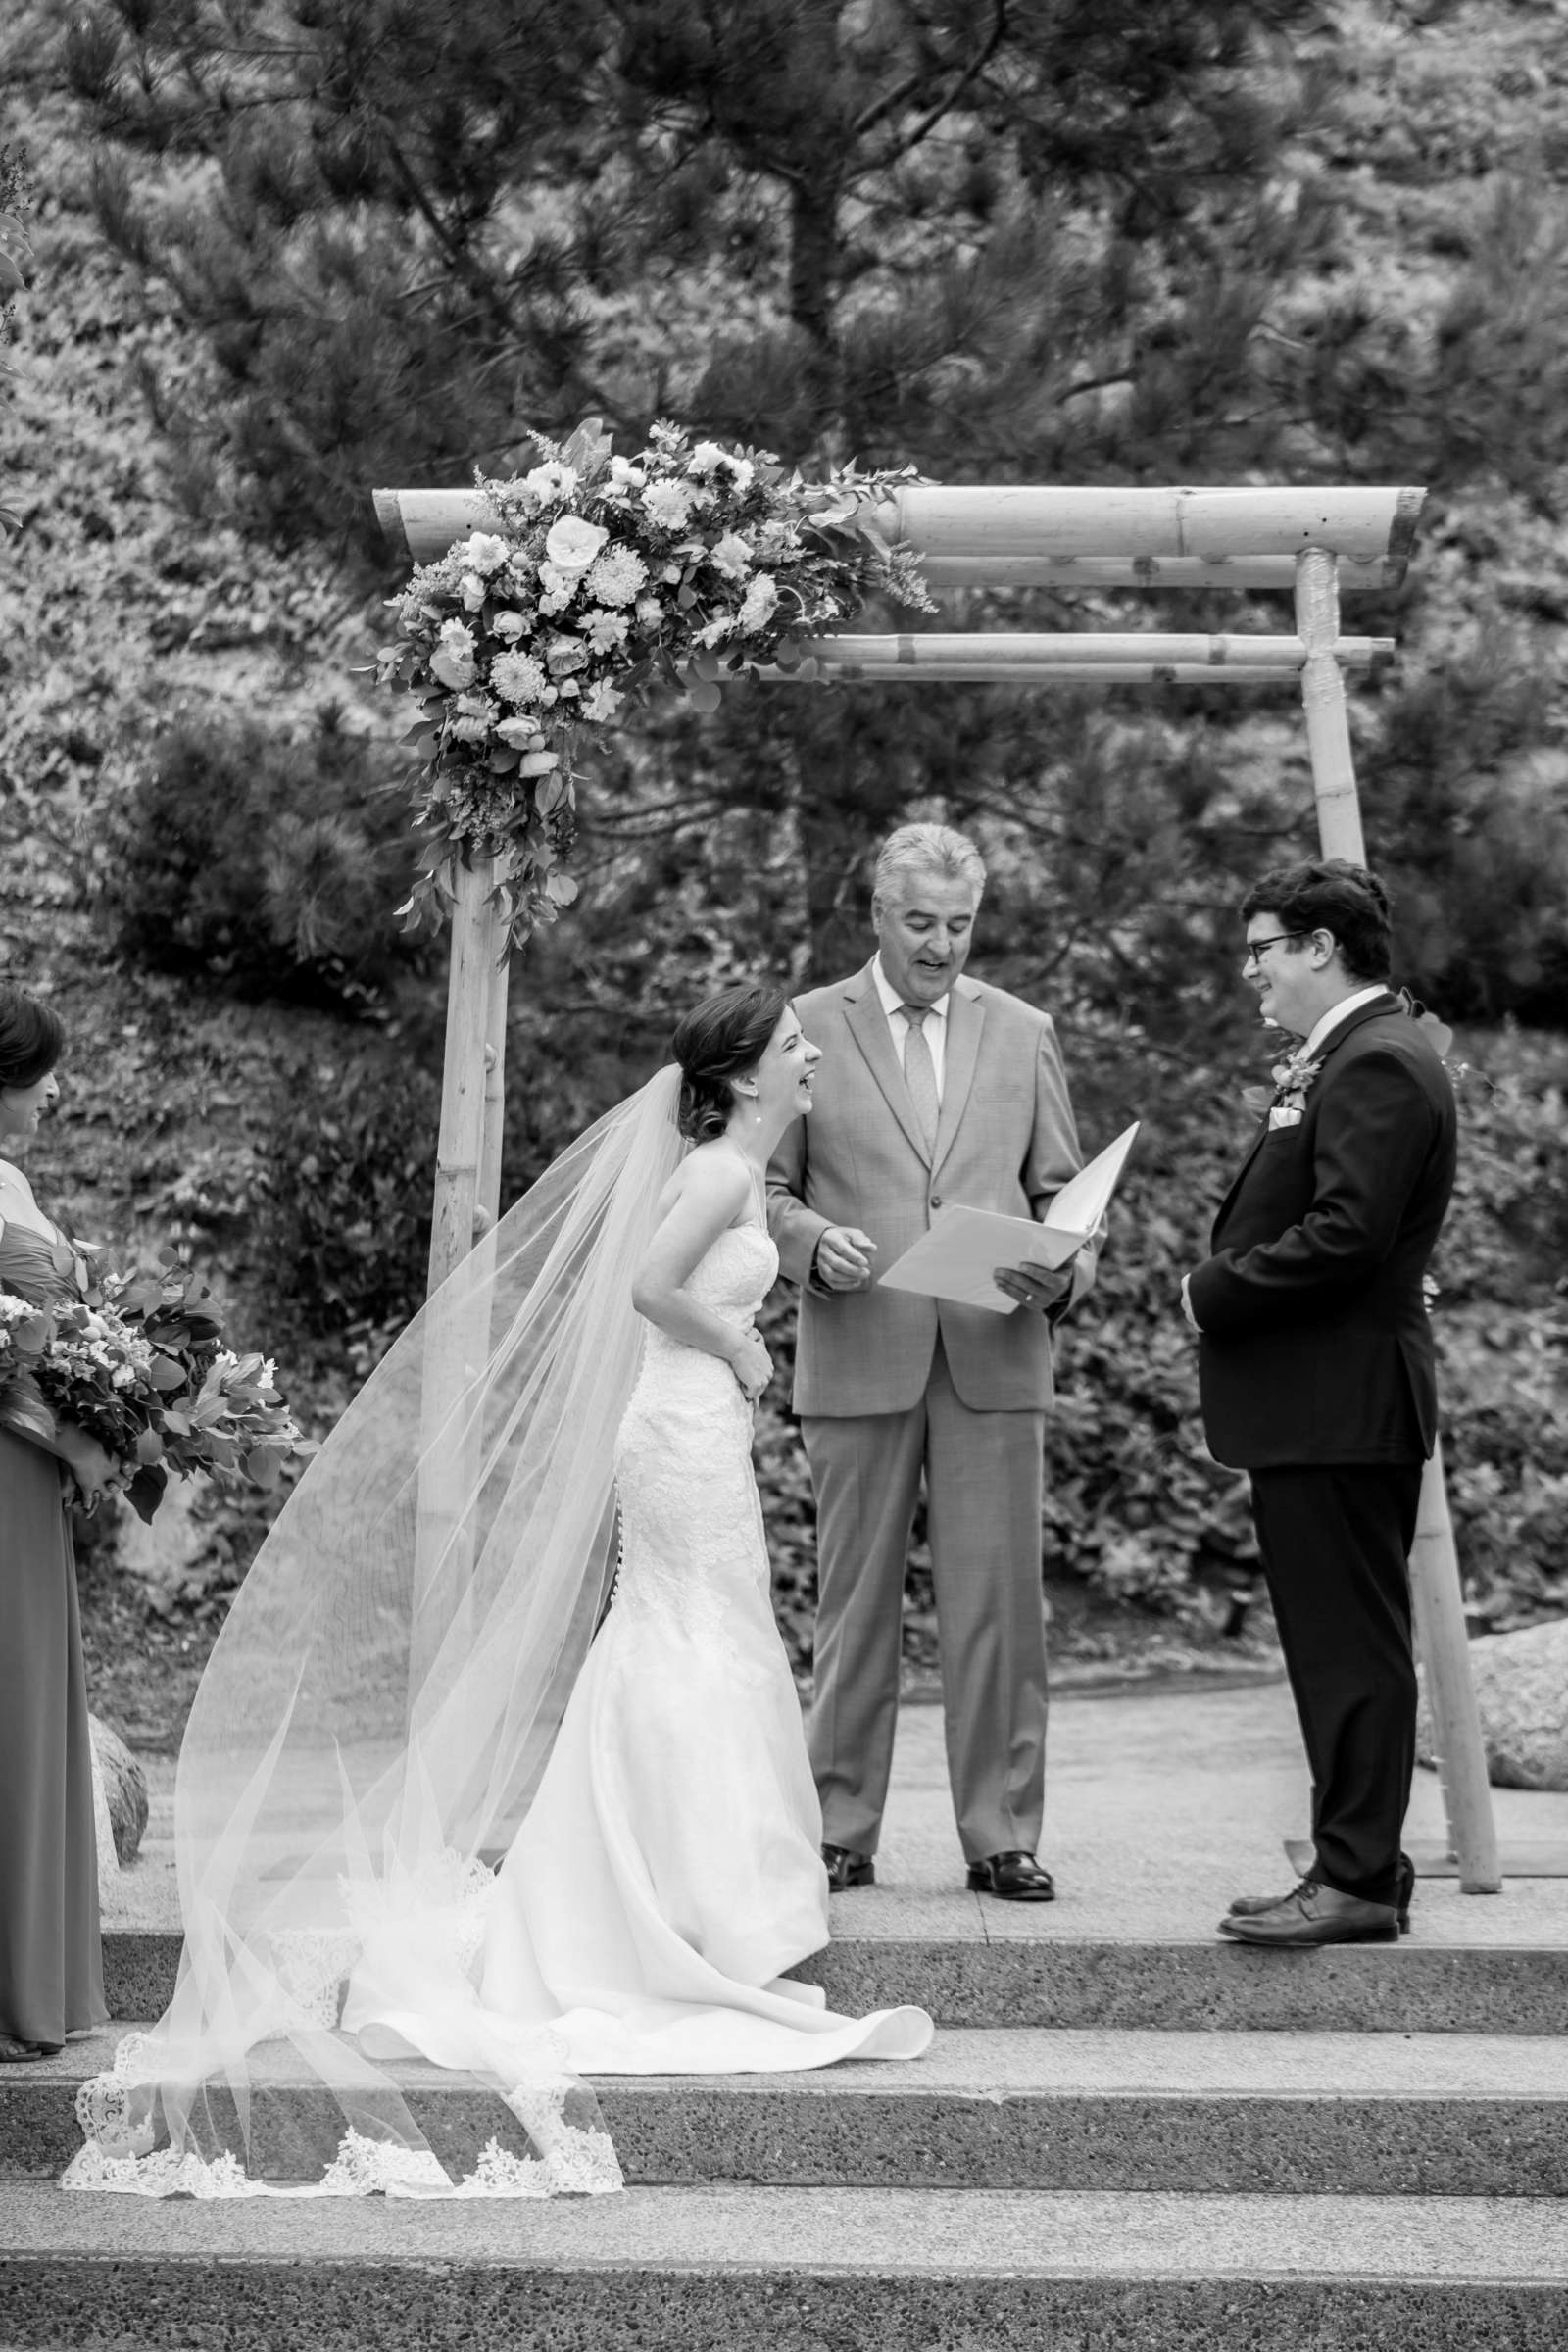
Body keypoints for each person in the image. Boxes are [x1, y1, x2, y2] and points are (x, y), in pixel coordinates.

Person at [69, 981, 928, 2203]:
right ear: (742, 1077)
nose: (812, 1057)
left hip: (697, 1432)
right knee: (688, 1636)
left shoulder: (737, 1167)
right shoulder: (720, 1176)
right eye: (794, 1046)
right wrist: (738, 1344)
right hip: (681, 1426)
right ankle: (679, 1901)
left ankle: (701, 1893)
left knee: (709, 1632)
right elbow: (647, 1287)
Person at [768, 823, 1097, 1902]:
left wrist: (1064, 1268)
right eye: (920, 923)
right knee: (852, 1604)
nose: (942, 946)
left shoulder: (1023, 1029)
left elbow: (1062, 1195)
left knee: (1000, 1604)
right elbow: (759, 1191)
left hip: (993, 1351)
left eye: (959, 926)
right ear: (874, 913)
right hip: (859, 1345)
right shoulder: (805, 1027)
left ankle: (1002, 1833)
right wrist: (812, 1245)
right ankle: (838, 1828)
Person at [1182, 859, 1457, 1950]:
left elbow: (1345, 1234)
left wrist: (1213, 1290)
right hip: (1324, 1401)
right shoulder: (1359, 1051)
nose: (1250, 970)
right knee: (1343, 1643)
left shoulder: (1378, 1061)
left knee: (1351, 1650)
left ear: (1317, 948)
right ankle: (1363, 1867)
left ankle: (1350, 1879)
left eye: (1261, 948)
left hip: (1339, 1400)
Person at [0, 987, 112, 2064]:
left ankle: (29, 1975)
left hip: (30, 1483)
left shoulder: (15, 1177)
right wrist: (72, 1438)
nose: (54, 1091)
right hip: (11, 1465)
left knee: (27, 1699)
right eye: (41, 1074)